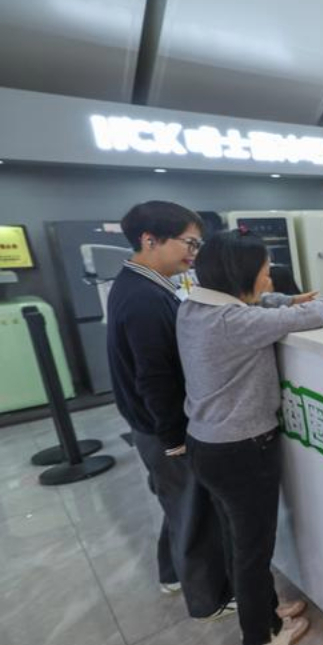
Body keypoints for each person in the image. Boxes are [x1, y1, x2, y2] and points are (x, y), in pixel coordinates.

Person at [177, 229, 323, 645]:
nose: (269, 281)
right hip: (242, 451)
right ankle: (259, 638)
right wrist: (304, 304)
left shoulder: (193, 308)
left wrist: (283, 299)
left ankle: (266, 610)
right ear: (241, 275)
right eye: (265, 273)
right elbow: (318, 314)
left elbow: (259, 304)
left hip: (206, 444)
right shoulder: (237, 324)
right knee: (253, 548)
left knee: (238, 539)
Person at [106, 200, 233, 620]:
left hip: (152, 426)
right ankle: (210, 598)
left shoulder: (141, 282)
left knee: (177, 503)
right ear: (150, 240)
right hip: (163, 428)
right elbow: (154, 377)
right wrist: (174, 438)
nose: (194, 253)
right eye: (189, 243)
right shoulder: (144, 296)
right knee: (193, 513)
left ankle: (172, 573)